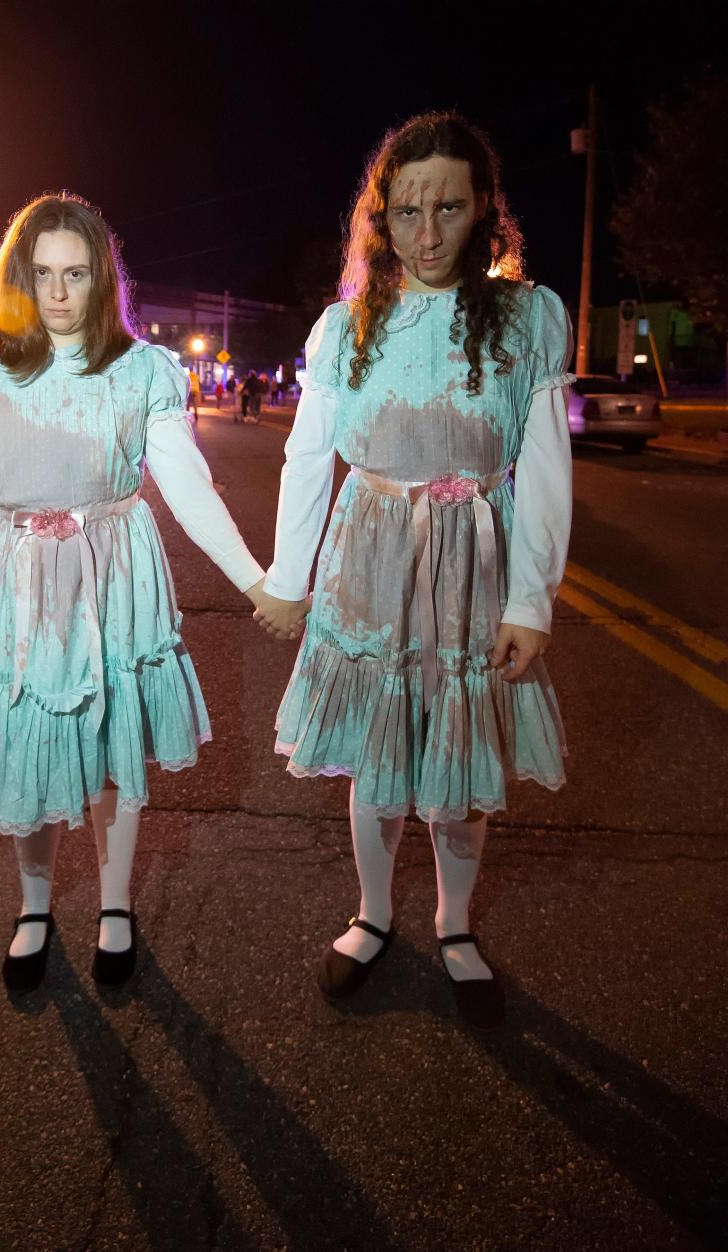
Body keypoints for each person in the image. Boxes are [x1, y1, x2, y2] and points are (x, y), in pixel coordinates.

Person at [252, 113, 573, 1029]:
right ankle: (375, 914)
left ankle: (456, 924)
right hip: (371, 564)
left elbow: (546, 468)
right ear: (379, 219)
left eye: (449, 207)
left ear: (483, 214)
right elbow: (309, 461)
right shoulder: (344, 328)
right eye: (405, 209)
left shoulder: (527, 319)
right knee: (380, 757)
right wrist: (288, 576)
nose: (426, 232)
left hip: (476, 565)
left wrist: (530, 601)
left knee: (460, 754)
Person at [0, 194, 266, 994]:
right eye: (40, 274)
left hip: (112, 579)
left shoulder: (140, 372)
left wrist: (258, 582)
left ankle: (116, 907)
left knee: (112, 752)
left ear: (101, 279)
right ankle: (35, 906)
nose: (57, 293)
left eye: (74, 274)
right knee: (28, 750)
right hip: (12, 589)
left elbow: (188, 489)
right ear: (18, 279)